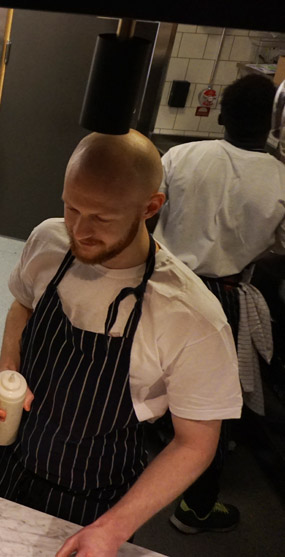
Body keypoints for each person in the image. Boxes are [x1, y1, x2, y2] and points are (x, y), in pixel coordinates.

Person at [0, 130, 242, 556]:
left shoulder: (191, 315)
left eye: (102, 218)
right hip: (3, 458)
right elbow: (22, 304)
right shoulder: (48, 241)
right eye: (71, 207)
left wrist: (113, 528)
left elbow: (196, 444)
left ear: (150, 207)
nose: (79, 230)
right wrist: (7, 371)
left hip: (94, 497)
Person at [153, 74, 285, 533]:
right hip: (220, 299)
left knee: (143, 371)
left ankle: (122, 464)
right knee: (212, 407)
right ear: (272, 125)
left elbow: (147, 210)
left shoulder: (180, 156)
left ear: (222, 116)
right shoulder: (281, 179)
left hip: (163, 285)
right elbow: (282, 247)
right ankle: (196, 508)